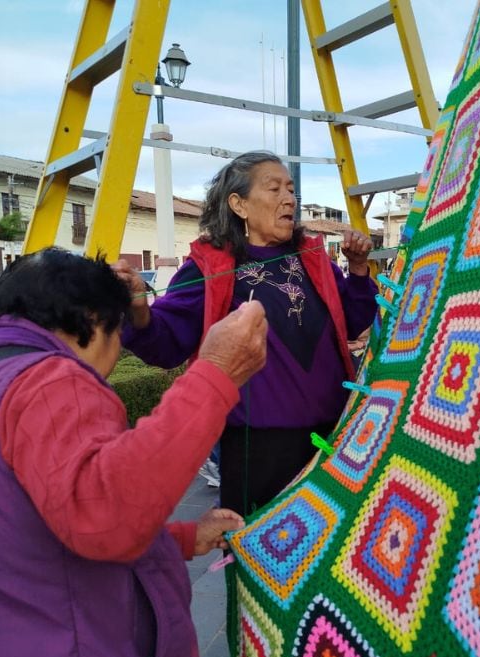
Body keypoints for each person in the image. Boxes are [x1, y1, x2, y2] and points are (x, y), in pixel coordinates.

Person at [0, 247, 266, 657]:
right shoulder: (48, 380)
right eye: (120, 331)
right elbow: (101, 511)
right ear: (92, 319)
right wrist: (217, 374)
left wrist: (183, 537)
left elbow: (39, 526)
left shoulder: (10, 376)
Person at [116, 151, 377, 516]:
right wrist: (139, 312)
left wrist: (359, 268)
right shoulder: (212, 266)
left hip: (335, 435)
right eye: (274, 189)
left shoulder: (313, 258)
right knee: (267, 557)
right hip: (260, 448)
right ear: (238, 204)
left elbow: (350, 321)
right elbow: (167, 341)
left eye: (291, 190)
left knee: (333, 547)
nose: (289, 199)